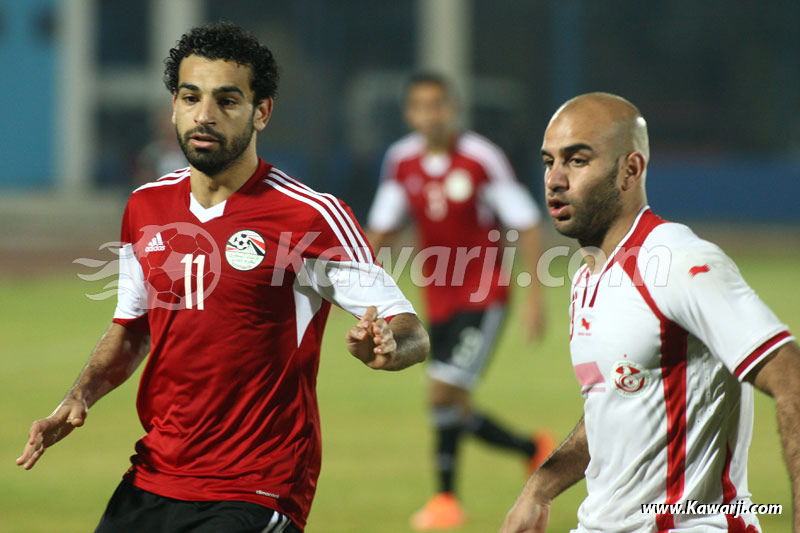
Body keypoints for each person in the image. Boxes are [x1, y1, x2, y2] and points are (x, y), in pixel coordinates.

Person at [16, 23, 429, 533]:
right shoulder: (146, 207)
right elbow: (133, 326)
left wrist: (388, 348)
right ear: (174, 106)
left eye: (227, 100)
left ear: (262, 111)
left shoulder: (309, 217)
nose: (204, 115)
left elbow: (412, 331)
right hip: (155, 474)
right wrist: (78, 395)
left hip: (257, 487)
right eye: (191, 97)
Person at [500, 92, 800, 532]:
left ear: (631, 170)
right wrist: (540, 488)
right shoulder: (589, 277)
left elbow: (791, 377)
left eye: (577, 161)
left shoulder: (678, 261)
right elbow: (620, 403)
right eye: (549, 162)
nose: (555, 179)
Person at [367, 72, 555, 531]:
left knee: (441, 390)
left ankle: (446, 501)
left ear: (452, 109)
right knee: (448, 402)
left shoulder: (480, 159)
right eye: (420, 107)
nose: (430, 115)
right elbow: (383, 227)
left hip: (483, 293)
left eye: (438, 106)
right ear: (410, 113)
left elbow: (526, 223)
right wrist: (356, 282)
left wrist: (534, 298)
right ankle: (530, 450)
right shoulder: (401, 160)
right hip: (439, 297)